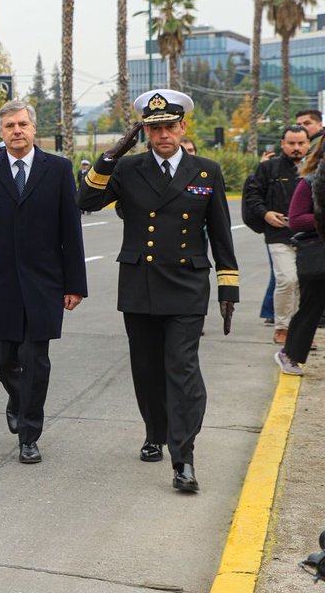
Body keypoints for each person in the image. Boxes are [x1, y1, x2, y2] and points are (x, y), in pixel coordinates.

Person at [79, 89, 238, 493]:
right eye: (154, 129)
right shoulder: (129, 169)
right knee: (147, 368)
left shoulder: (206, 171)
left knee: (182, 370)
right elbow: (87, 199)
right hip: (141, 284)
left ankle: (183, 458)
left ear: (183, 127)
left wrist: (228, 288)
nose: (163, 134)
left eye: (169, 126)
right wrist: (112, 154)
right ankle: (155, 432)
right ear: (144, 132)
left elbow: (220, 235)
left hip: (186, 284)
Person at [0, 101, 87, 465]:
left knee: (35, 360)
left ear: (34, 129)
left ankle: (29, 435)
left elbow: (70, 231)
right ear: (0, 132)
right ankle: (20, 399)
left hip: (44, 284)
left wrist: (74, 284)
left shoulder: (58, 169)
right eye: (9, 126)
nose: (17, 131)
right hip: (0, 283)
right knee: (0, 359)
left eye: (23, 124)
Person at [243, 125, 310, 344]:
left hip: (310, 235)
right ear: (282, 144)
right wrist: (265, 214)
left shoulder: (315, 169)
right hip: (278, 234)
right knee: (286, 279)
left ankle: (301, 332)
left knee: (304, 283)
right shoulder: (268, 168)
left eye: (301, 143)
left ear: (309, 144)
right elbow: (252, 195)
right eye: (291, 143)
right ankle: (281, 327)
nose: (296, 148)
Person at [275, 138, 325, 375]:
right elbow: (295, 220)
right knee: (311, 306)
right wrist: (322, 219)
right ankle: (290, 354)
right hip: (317, 253)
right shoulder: (310, 182)